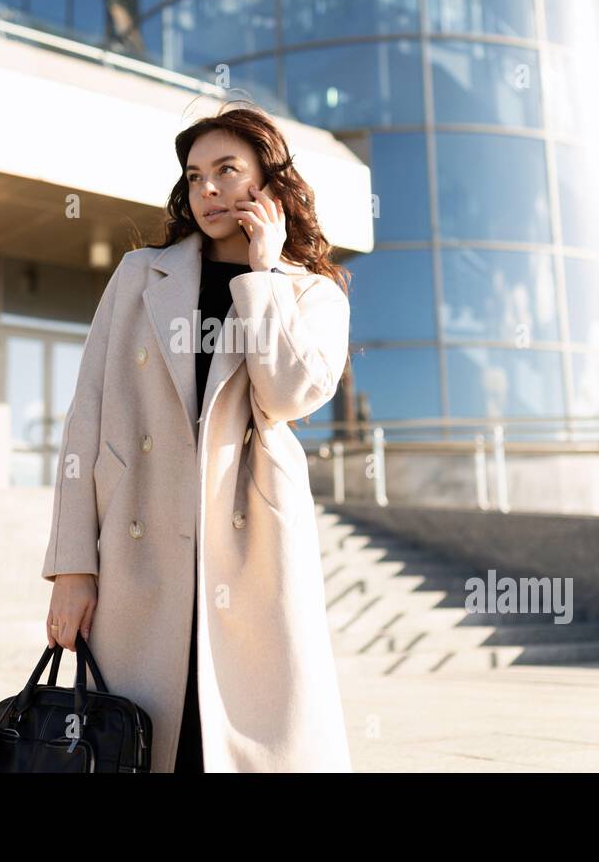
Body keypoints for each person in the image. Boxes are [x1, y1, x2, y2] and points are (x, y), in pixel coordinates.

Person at [42, 102, 354, 773]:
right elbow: (86, 420)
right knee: (140, 743)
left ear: (269, 183)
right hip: (139, 554)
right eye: (193, 176)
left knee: (234, 744)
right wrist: (72, 569)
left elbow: (289, 396)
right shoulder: (139, 276)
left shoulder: (311, 295)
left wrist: (263, 278)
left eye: (226, 170)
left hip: (249, 554)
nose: (206, 189)